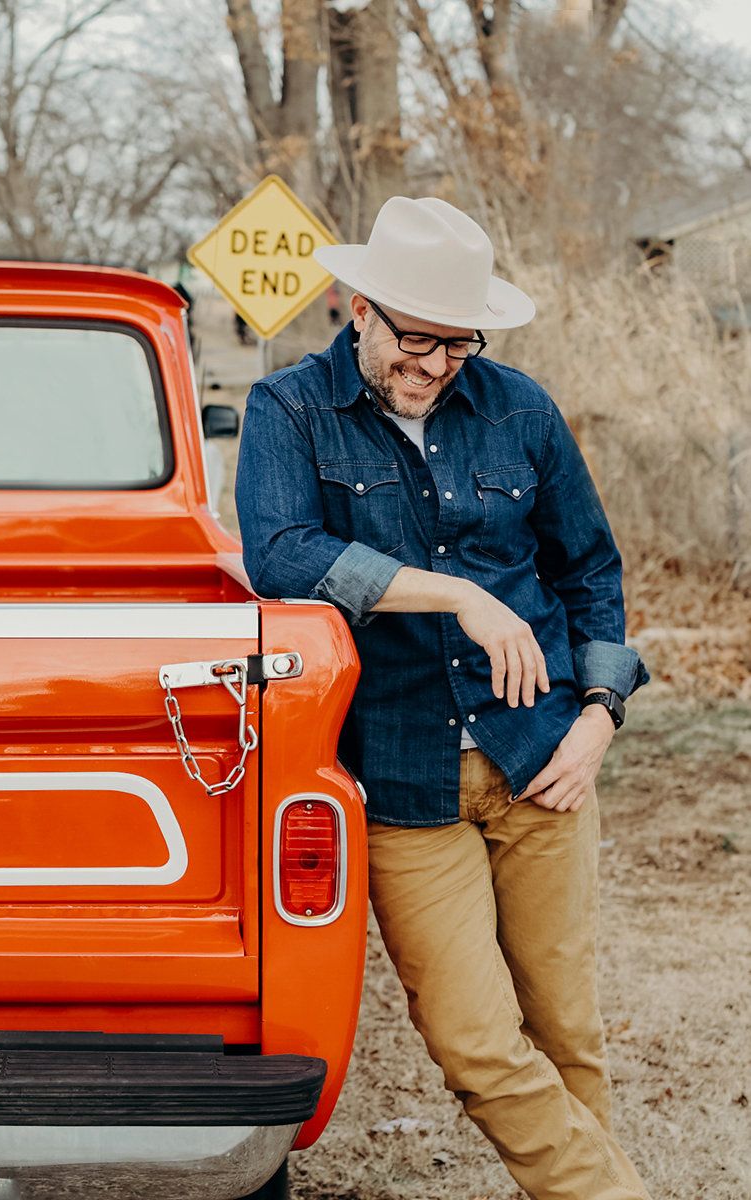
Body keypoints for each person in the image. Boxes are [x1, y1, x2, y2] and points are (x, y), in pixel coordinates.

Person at [235, 196, 651, 1200]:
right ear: (358, 308)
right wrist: (456, 594)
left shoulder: (521, 410)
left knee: (565, 1028)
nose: (432, 366)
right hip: (405, 779)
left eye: (456, 345)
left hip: (542, 760)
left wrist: (598, 718)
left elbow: (591, 571)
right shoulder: (289, 410)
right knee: (475, 1042)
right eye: (413, 340)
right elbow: (281, 554)